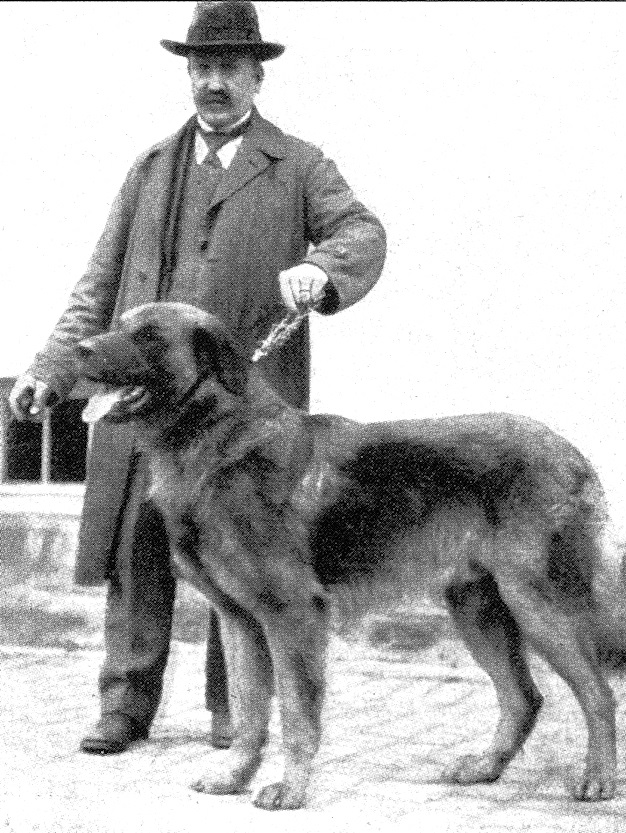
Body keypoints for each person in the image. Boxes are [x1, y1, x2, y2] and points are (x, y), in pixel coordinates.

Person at [9, 1, 386, 755]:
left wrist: (322, 267)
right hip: (144, 401)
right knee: (137, 542)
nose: (215, 83)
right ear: (189, 73)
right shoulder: (151, 168)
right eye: (202, 68)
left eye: (230, 69)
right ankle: (125, 701)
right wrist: (52, 367)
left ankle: (232, 708)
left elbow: (361, 232)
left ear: (256, 75)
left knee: (248, 549)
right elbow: (98, 281)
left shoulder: (299, 164)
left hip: (238, 411)